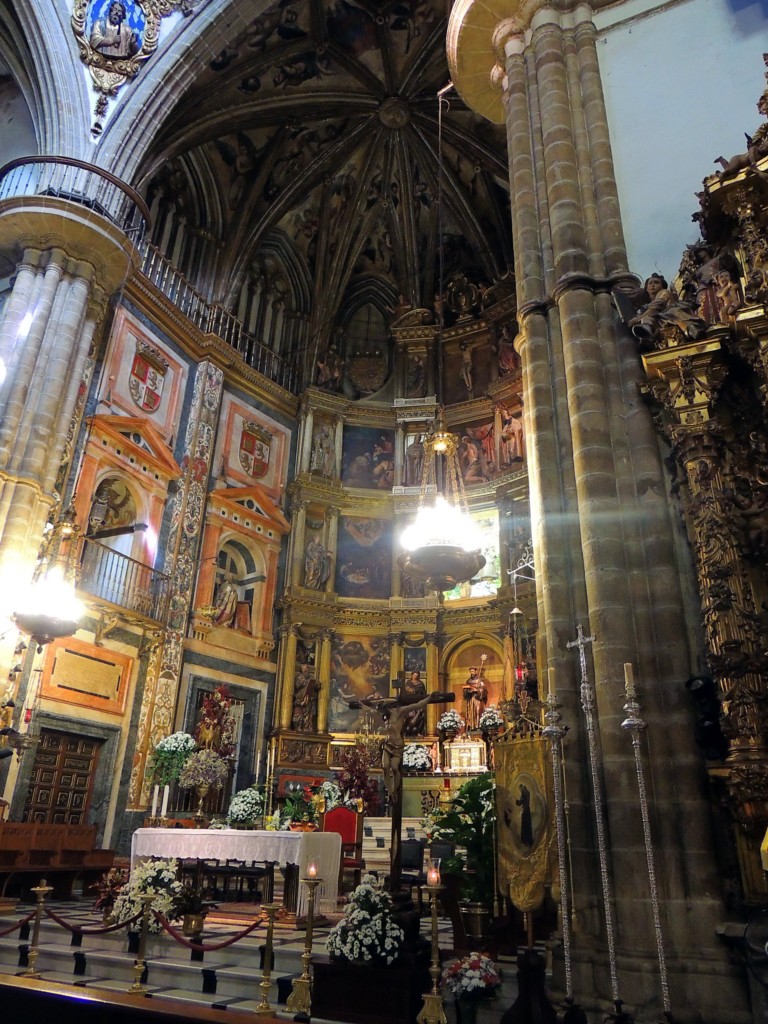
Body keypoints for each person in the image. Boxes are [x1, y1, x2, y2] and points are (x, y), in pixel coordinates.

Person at [292, 663, 320, 732]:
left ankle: (307, 727)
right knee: (298, 713)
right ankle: (298, 727)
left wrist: (317, 684)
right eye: (303, 669)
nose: (305, 670)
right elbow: (297, 685)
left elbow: (317, 686)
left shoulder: (311, 678)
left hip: (309, 699)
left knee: (309, 714)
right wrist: (304, 682)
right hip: (300, 699)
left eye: (306, 668)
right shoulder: (299, 677)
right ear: (301, 670)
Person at [401, 669, 427, 736]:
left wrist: (415, 691)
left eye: (417, 674)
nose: (415, 676)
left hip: (418, 702)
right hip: (410, 702)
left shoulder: (421, 684)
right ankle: (407, 732)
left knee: (420, 715)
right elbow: (404, 692)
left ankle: (418, 731)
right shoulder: (408, 683)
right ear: (412, 675)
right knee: (408, 716)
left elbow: (423, 694)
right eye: (414, 674)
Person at [463, 662, 488, 730]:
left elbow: (484, 690)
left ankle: (477, 726)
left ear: (475, 671)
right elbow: (465, 690)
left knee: (477, 711)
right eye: (471, 671)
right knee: (470, 713)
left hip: (477, 699)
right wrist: (468, 691)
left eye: (473, 671)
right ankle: (471, 726)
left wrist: (478, 691)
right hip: (470, 699)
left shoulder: (479, 680)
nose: (472, 672)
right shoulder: (468, 680)